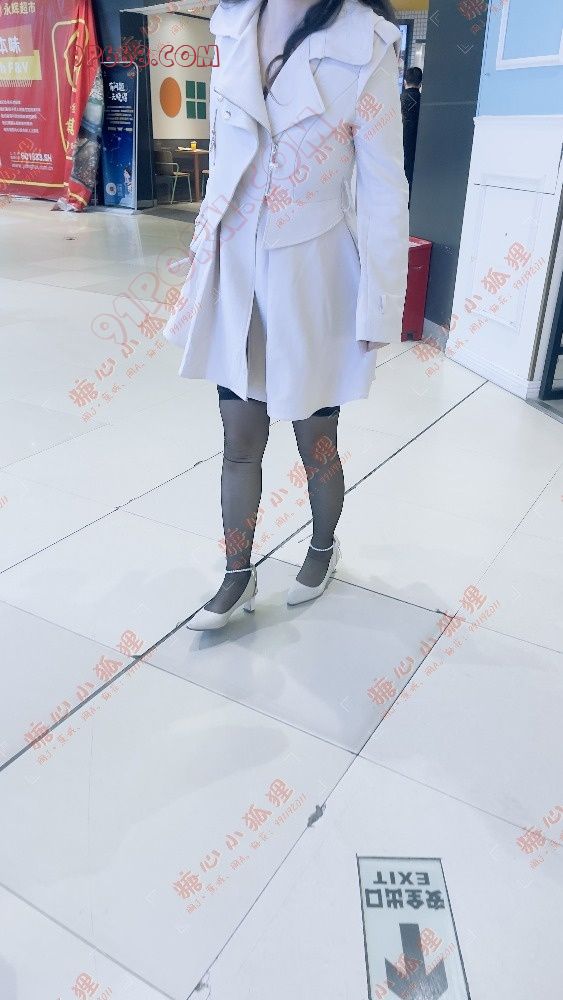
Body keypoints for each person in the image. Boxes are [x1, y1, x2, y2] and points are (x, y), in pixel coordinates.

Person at [162, 0, 410, 630]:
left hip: (314, 274)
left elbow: (386, 191)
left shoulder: (367, 44)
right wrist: (203, 252)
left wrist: (380, 307)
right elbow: (225, 160)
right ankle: (236, 575)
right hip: (238, 268)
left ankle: (322, 550)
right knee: (238, 437)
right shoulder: (234, 22)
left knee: (316, 440)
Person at [400, 65, 422, 202]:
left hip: (398, 142)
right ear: (420, 84)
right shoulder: (424, 101)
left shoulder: (397, 99)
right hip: (417, 144)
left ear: (404, 82)